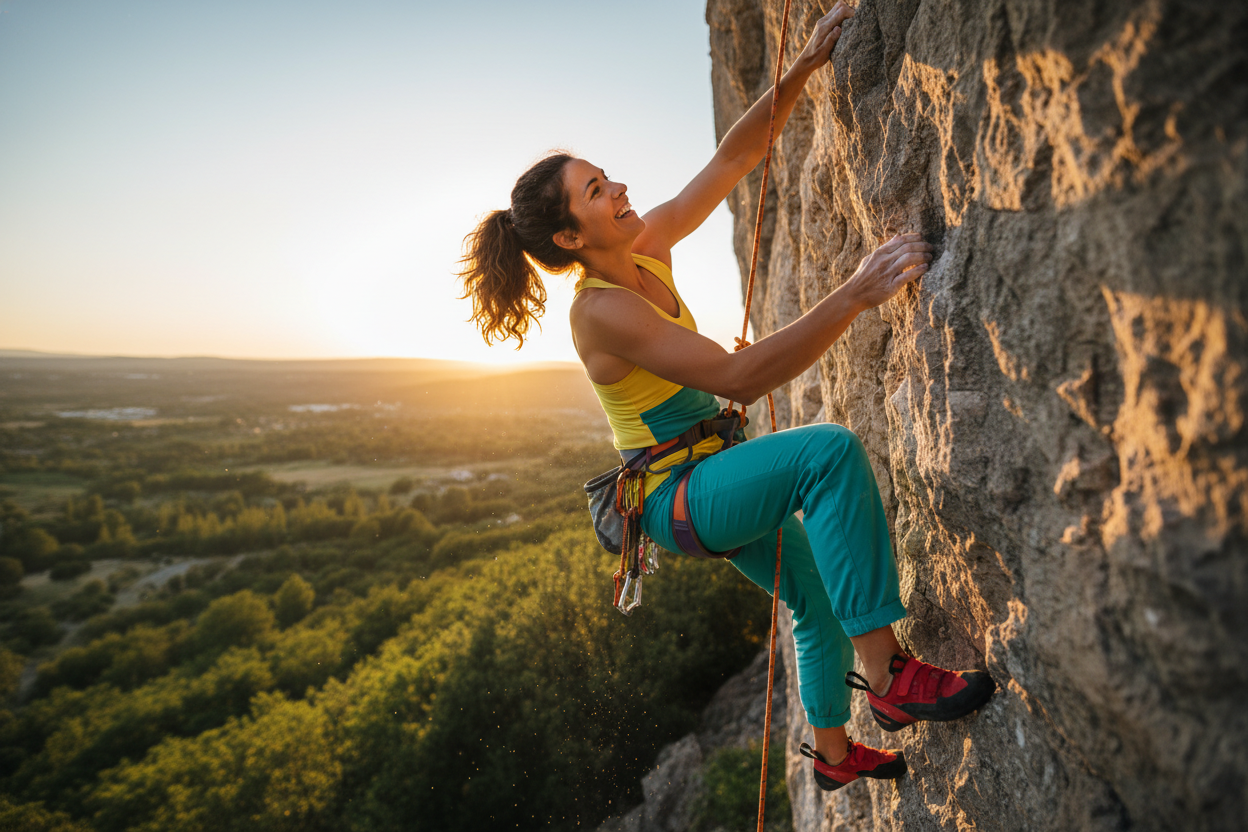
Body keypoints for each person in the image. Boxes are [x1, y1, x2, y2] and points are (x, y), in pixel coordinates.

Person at [457, 1, 994, 792]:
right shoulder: (601, 311)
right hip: (681, 498)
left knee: (813, 602)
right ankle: (888, 679)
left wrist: (803, 67)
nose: (620, 189)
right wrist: (854, 293)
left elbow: (730, 164)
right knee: (828, 453)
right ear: (570, 237)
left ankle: (838, 760)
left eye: (608, 178)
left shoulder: (644, 246)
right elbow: (739, 379)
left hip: (704, 480)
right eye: (598, 189)